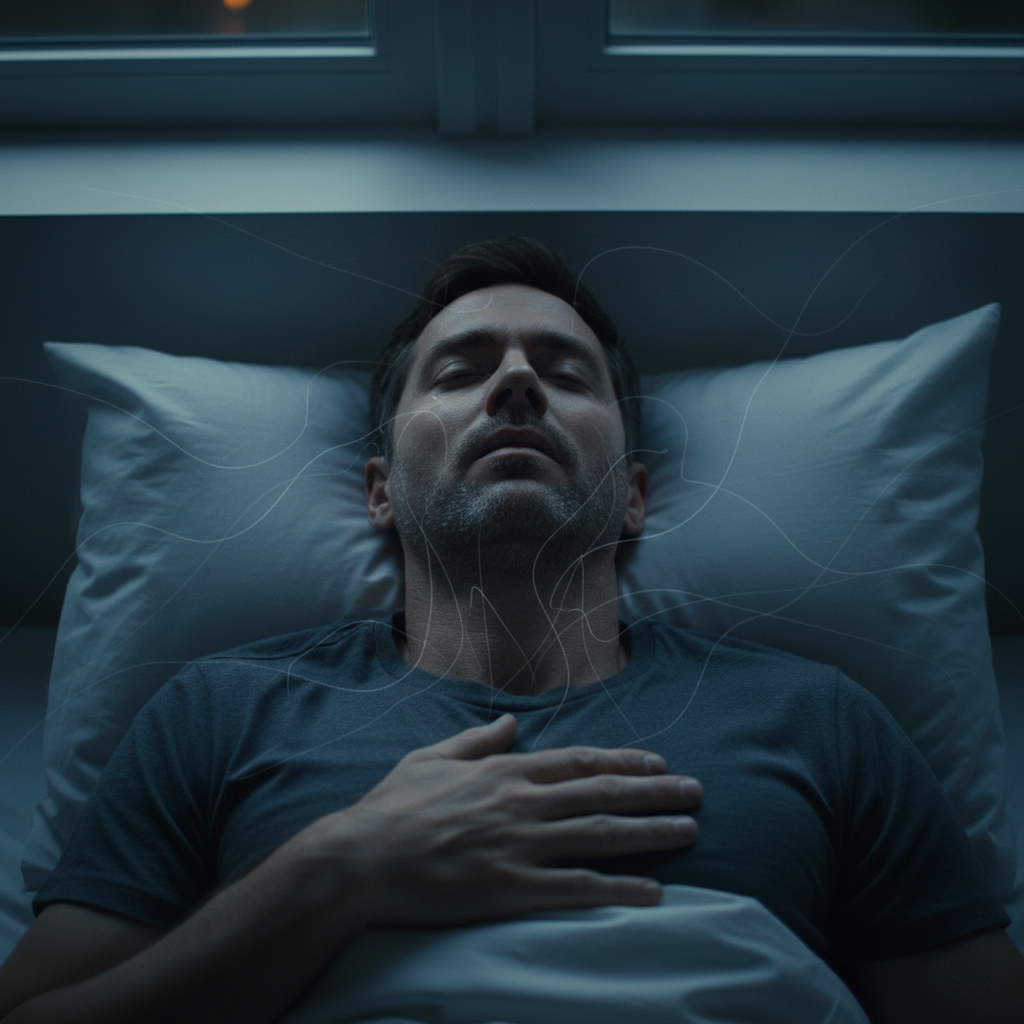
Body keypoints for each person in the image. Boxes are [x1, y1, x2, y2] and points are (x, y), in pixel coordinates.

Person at [0, 237, 1022, 1024]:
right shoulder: (220, 710)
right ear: (379, 492)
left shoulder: (821, 719)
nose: (518, 384)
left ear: (633, 497)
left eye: (567, 375)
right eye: (459, 372)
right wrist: (337, 870)